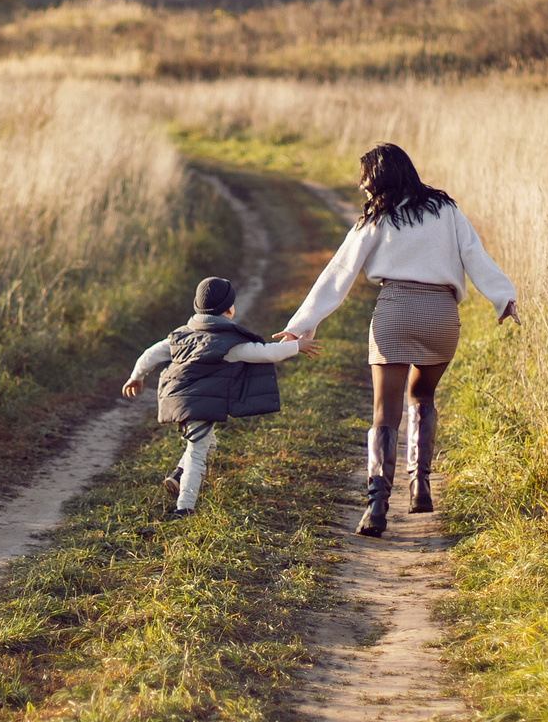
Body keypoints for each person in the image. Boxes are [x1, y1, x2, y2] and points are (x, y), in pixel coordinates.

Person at [275, 143, 517, 536]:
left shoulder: (378, 216)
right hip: (441, 316)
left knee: (385, 414)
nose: (361, 187)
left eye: (365, 178)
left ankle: (376, 508)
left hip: (395, 311)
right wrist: (503, 297)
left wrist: (302, 323)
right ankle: (419, 485)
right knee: (422, 397)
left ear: (381, 176)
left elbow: (340, 271)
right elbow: (475, 255)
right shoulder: (446, 209)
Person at [122, 275, 315, 519]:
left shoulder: (181, 335)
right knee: (198, 452)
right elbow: (268, 353)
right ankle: (185, 507)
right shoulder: (229, 344)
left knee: (206, 443)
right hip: (200, 404)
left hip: (176, 399)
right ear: (229, 309)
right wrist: (298, 346)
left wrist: (136, 376)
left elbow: (151, 354)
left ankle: (179, 476)